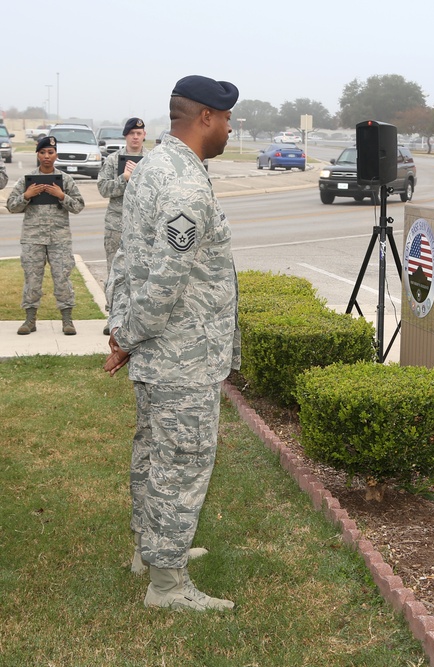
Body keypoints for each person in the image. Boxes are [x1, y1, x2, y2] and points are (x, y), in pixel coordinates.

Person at [104, 75, 241, 611]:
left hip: (158, 351)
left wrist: (123, 334)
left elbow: (125, 260)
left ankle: (152, 548)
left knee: (154, 453)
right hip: (181, 355)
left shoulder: (156, 167)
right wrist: (129, 337)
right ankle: (167, 583)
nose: (231, 128)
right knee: (181, 463)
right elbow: (162, 279)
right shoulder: (183, 184)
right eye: (227, 118)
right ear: (205, 117)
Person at [6, 136, 86, 335]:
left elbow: (78, 206)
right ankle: (30, 320)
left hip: (59, 239)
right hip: (33, 238)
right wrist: (27, 195)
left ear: (56, 155)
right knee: (32, 280)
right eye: (42, 153)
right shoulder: (27, 180)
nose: (46, 157)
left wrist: (61, 195)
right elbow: (10, 206)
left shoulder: (65, 180)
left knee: (62, 279)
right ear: (38, 155)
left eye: (50, 153)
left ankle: (67, 321)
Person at [98, 117, 148, 335]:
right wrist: (124, 178)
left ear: (144, 135)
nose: (135, 137)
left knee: (142, 273)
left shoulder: (151, 159)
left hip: (144, 226)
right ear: (126, 136)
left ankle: (138, 319)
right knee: (115, 273)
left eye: (139, 133)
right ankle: (112, 318)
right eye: (132, 134)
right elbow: (103, 188)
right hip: (116, 225)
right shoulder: (112, 160)